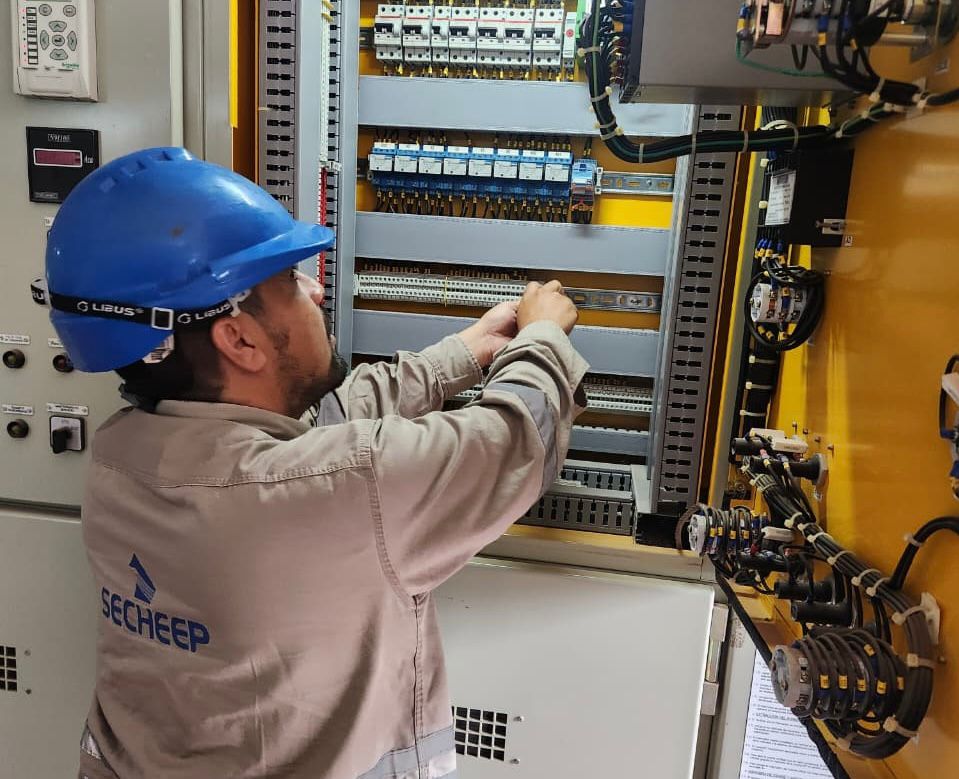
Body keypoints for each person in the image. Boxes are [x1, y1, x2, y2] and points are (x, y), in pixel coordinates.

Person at [37, 147, 587, 779]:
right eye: (289, 282)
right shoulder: (340, 491)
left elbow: (308, 439)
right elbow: (516, 438)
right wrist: (543, 337)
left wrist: (464, 353)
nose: (315, 288)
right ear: (239, 338)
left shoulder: (118, 458)